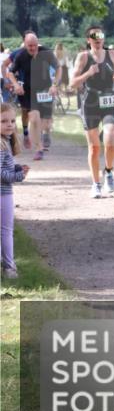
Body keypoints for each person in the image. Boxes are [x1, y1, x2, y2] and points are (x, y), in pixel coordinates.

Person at [70, 26, 114, 198]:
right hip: (90, 101)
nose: (98, 39)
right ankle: (96, 184)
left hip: (108, 99)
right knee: (94, 148)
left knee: (111, 134)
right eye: (94, 36)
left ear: (104, 38)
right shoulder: (83, 57)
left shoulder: (112, 54)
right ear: (88, 40)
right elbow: (72, 83)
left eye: (100, 35)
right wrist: (88, 73)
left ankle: (108, 171)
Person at [2, 33, 61, 161]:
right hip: (28, 91)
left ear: (38, 43)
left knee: (46, 122)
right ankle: (38, 148)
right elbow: (10, 72)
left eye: (34, 45)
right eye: (29, 46)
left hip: (46, 90)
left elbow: (58, 68)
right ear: (25, 44)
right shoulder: (21, 55)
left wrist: (55, 85)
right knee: (33, 118)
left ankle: (46, 132)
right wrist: (16, 85)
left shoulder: (46, 52)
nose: (32, 48)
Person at [1, 102, 29, 280]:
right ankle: (10, 268)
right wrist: (18, 176)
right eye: (4, 121)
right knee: (5, 231)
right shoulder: (1, 145)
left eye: (12, 120)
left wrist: (17, 168)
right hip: (3, 194)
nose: (10, 124)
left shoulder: (5, 142)